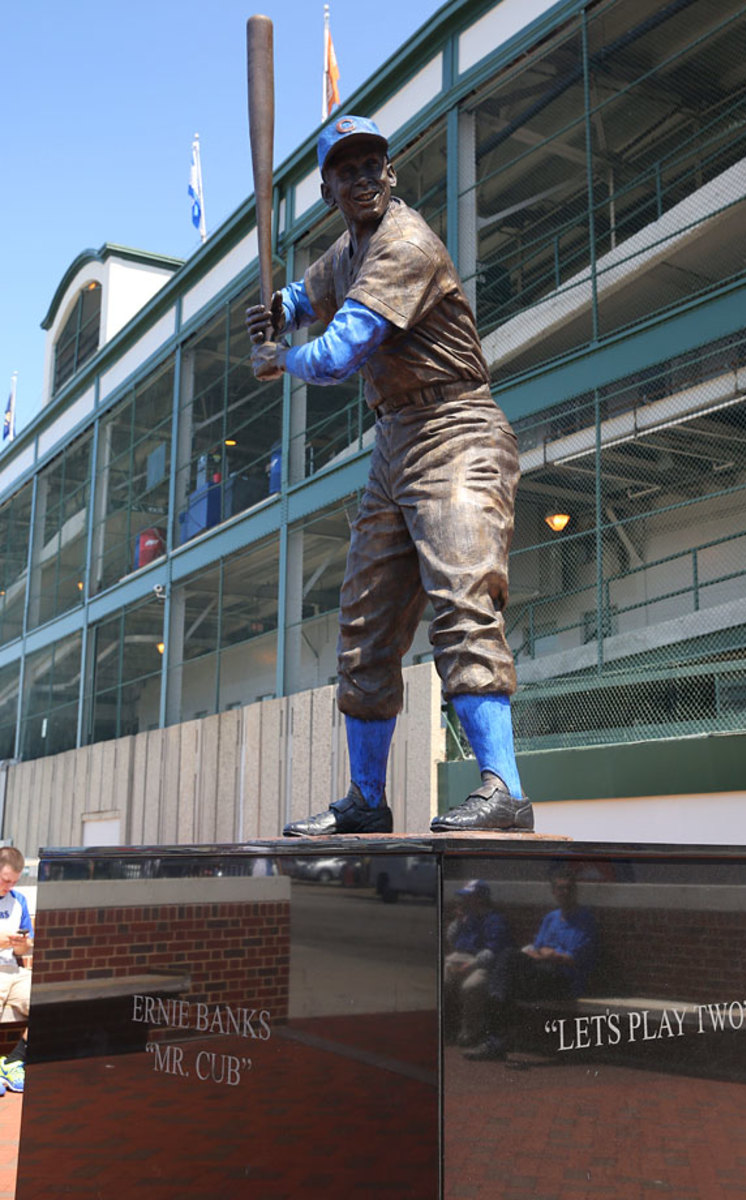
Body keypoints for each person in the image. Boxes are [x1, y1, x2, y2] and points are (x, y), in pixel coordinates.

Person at [247, 114, 533, 836]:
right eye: (348, 170)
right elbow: (305, 300)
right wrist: (272, 313)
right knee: (365, 626)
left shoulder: (404, 242)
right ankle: (366, 800)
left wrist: (282, 358)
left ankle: (505, 790)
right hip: (396, 442)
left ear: (391, 173)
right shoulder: (346, 251)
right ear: (329, 190)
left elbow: (342, 349)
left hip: (458, 429)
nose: (365, 176)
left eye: (374, 163)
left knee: (463, 601)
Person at [464, 863, 596, 1061]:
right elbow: (535, 950)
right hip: (541, 972)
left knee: (505, 970)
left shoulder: (585, 920)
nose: (565, 892)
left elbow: (574, 959)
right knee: (507, 966)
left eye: (569, 888)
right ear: (554, 892)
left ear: (575, 891)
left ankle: (493, 1039)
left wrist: (552, 955)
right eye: (561, 888)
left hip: (564, 979)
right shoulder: (550, 919)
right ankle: (495, 1038)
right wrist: (545, 954)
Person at [444, 880, 512, 1046]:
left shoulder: (495, 920)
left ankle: (470, 1033)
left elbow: (492, 953)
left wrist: (470, 966)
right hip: (459, 960)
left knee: (471, 987)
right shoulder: (468, 918)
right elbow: (452, 941)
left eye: (468, 897)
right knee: (441, 981)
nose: (464, 901)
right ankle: (444, 1028)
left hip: (483, 965)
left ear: (480, 898)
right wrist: (459, 921)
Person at [0, 846, 34, 1092]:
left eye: (13, 882)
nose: (9, 886)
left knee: (49, 1000)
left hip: (13, 970)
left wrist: (22, 944)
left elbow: (26, 949)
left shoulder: (19, 900)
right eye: (5, 880)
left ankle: (12, 1062)